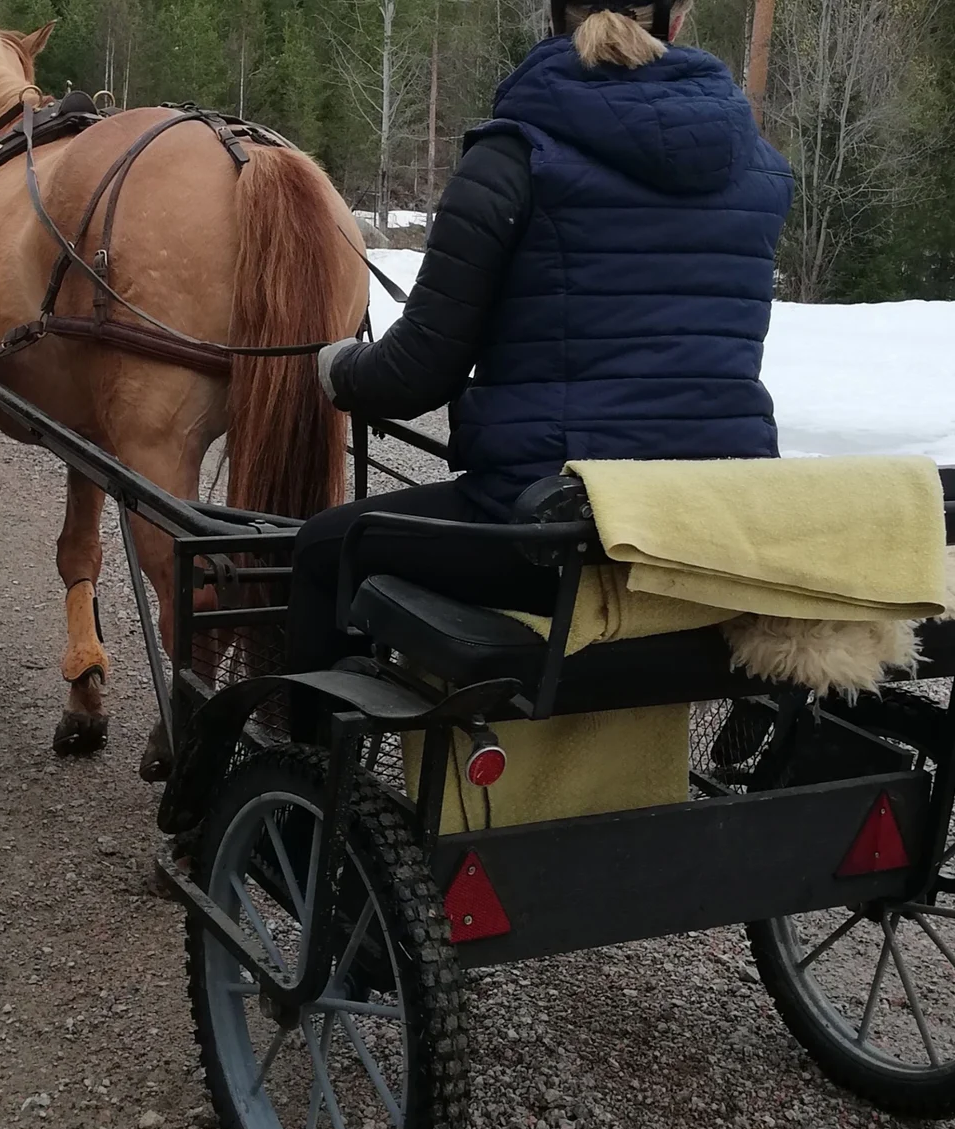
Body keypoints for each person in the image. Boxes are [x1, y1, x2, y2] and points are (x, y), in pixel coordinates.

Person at [285, 0, 794, 732]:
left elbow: (418, 374)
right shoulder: (756, 165)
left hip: (552, 528)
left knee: (325, 547)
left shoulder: (511, 158)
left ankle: (302, 801)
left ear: (553, 18)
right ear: (675, 23)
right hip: (708, 516)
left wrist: (340, 369)